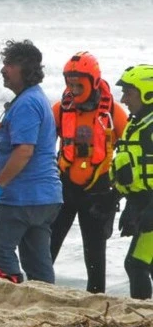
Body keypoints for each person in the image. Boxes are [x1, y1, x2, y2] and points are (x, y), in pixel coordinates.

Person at [0, 40, 62, 284]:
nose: (3, 69)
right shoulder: (35, 98)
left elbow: (24, 150)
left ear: (26, 69)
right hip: (46, 197)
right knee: (38, 261)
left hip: (24, 196)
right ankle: (44, 300)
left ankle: (13, 293)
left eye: (10, 64)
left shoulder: (27, 103)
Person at [49, 52, 127, 294]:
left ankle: (96, 298)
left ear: (94, 81)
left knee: (95, 253)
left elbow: (131, 154)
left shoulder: (114, 113)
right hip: (64, 188)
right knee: (47, 245)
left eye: (78, 84)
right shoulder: (59, 110)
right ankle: (37, 289)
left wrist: (119, 192)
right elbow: (41, 148)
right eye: (69, 83)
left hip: (99, 192)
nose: (72, 89)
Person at [111, 64, 153, 299]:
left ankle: (142, 316)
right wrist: (116, 198)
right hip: (143, 203)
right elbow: (131, 169)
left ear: (147, 92)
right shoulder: (138, 124)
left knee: (136, 264)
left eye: (129, 92)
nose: (123, 99)